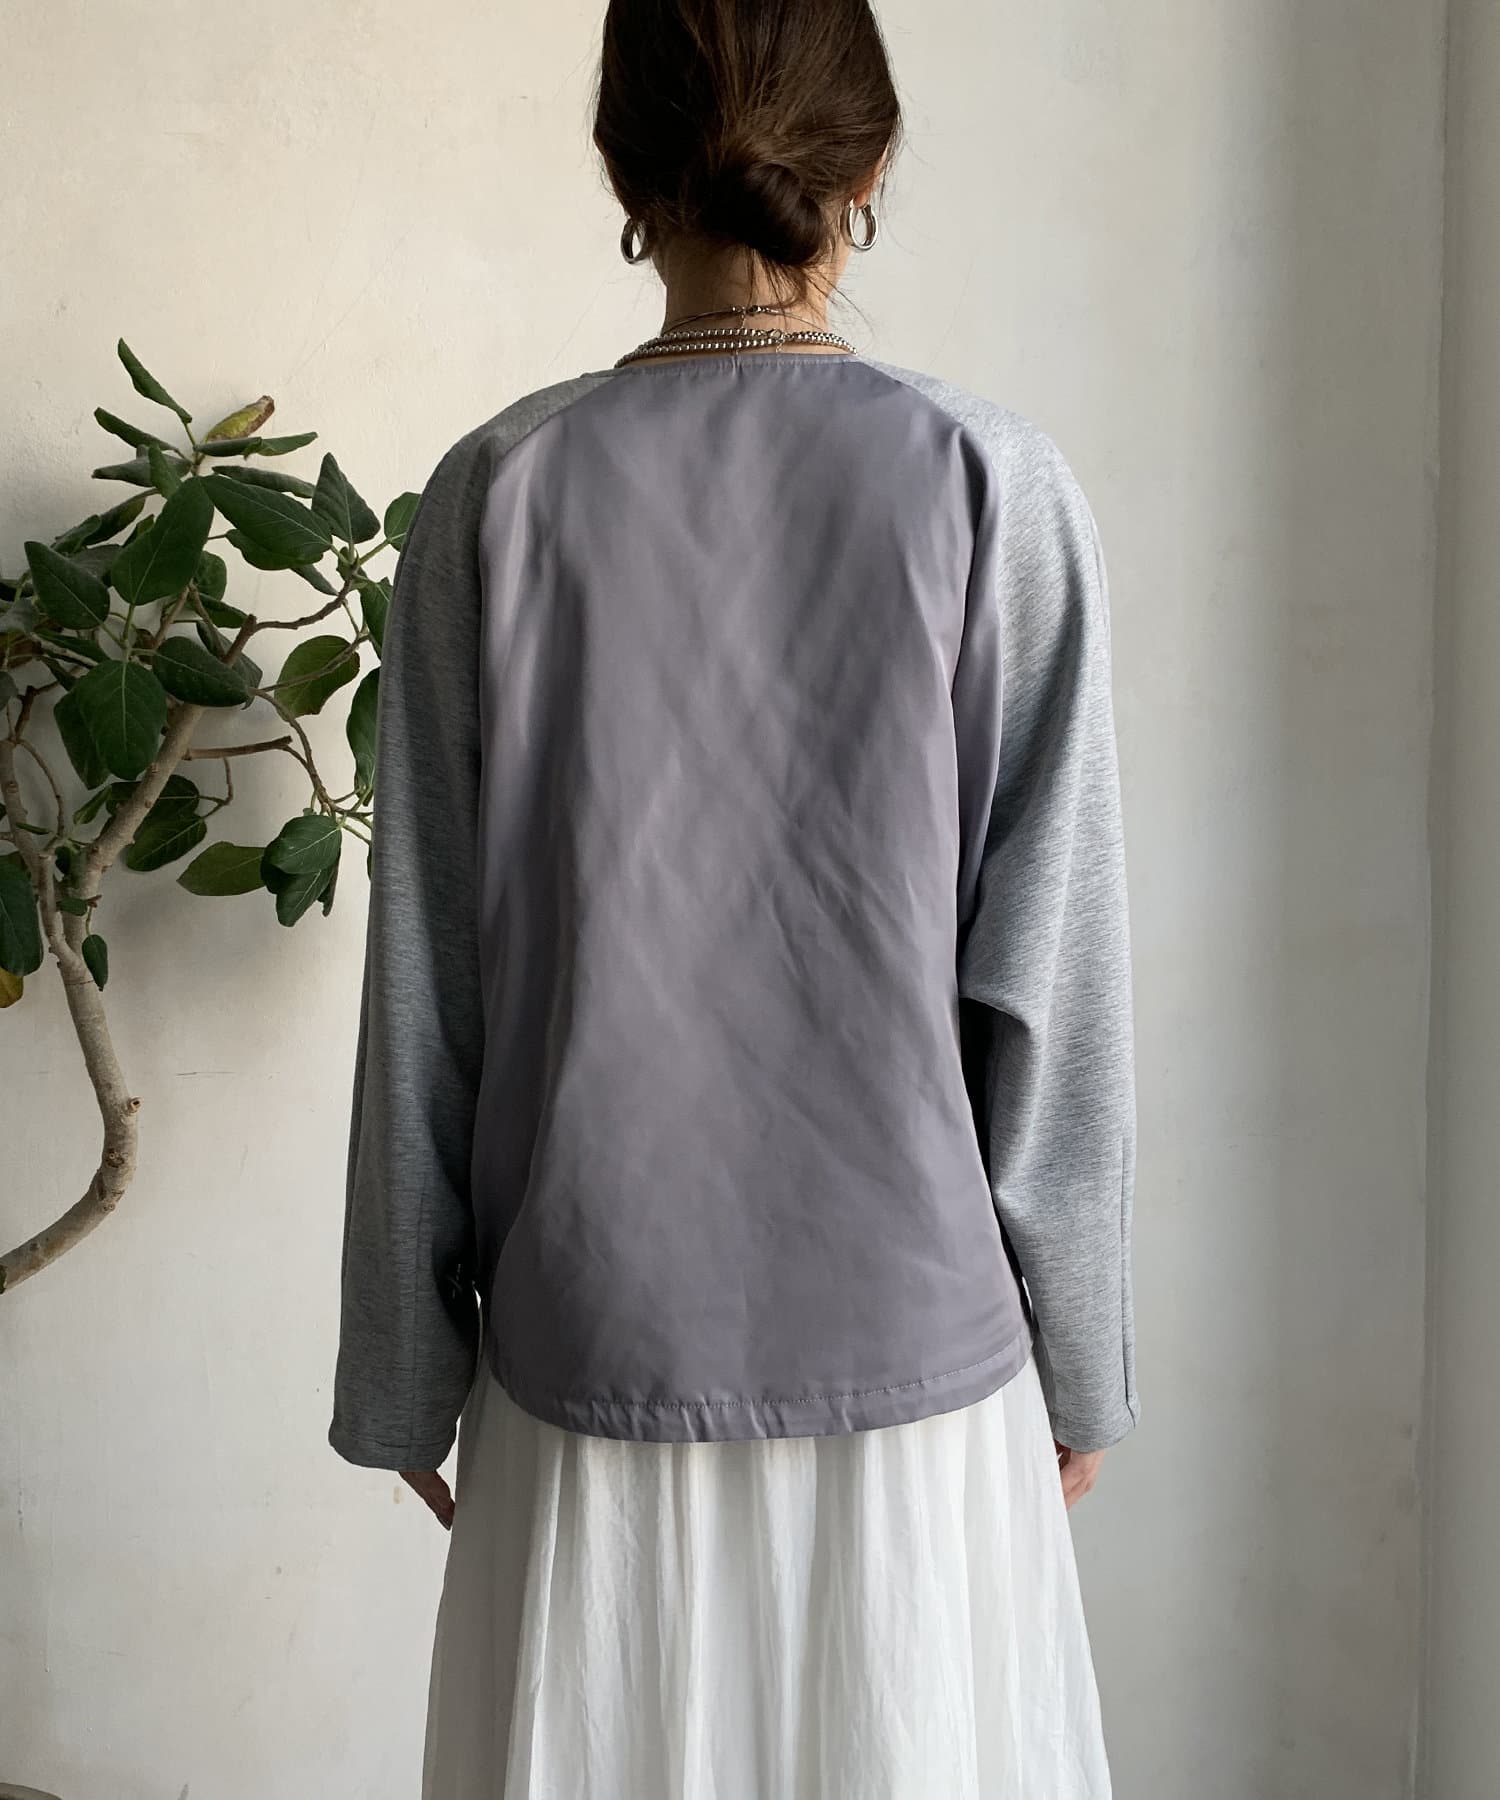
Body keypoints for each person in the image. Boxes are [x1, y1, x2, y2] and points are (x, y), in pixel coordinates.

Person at [328, 1, 1139, 1794]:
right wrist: (1080, 1362)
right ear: (870, 164)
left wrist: (401, 1368)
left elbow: (430, 980)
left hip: (587, 1365)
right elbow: (1052, 978)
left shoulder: (495, 494)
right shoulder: (993, 484)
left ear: (620, 166)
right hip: (919, 1380)